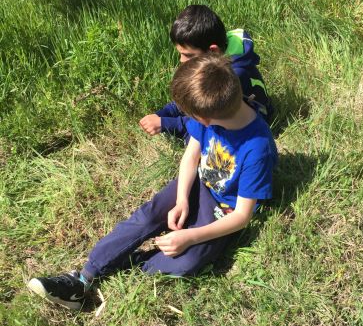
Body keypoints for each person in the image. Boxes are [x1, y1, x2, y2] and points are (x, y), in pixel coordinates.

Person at [27, 54, 278, 310]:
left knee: (188, 261)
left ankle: (132, 263)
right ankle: (82, 279)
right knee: (147, 217)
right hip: (198, 185)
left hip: (224, 210)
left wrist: (190, 236)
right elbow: (191, 157)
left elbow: (242, 216)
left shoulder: (257, 148)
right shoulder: (210, 118)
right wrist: (181, 199)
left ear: (202, 118)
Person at [139, 4, 273, 140]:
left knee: (200, 139)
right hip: (220, 113)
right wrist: (161, 114)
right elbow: (189, 98)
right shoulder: (216, 60)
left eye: (188, 55)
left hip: (251, 125)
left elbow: (207, 120)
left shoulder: (230, 75)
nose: (182, 60)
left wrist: (166, 124)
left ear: (212, 50)